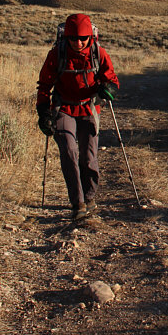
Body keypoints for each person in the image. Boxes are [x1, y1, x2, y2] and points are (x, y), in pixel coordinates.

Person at [36, 13, 119, 221]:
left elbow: (111, 79)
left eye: (83, 38)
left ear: (90, 37)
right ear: (66, 38)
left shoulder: (98, 53)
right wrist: (44, 112)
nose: (78, 42)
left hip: (89, 108)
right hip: (63, 108)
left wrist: (108, 88)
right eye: (73, 38)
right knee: (69, 151)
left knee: (89, 157)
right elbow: (44, 85)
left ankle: (89, 197)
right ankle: (78, 202)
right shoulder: (57, 54)